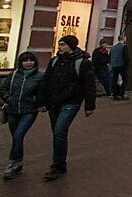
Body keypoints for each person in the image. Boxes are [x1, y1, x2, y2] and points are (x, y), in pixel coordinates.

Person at [38, 35, 96, 181]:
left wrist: (89, 106)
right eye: (59, 45)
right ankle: (61, 164)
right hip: (54, 102)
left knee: (59, 131)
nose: (60, 47)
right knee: (58, 134)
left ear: (71, 46)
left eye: (63, 45)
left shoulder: (82, 62)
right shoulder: (55, 61)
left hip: (71, 102)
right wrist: (42, 101)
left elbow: (89, 85)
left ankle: (56, 166)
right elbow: (46, 81)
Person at [0, 51, 43, 180]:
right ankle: (18, 162)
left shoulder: (39, 77)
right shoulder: (13, 75)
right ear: (20, 62)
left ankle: (11, 163)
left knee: (18, 135)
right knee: (16, 138)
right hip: (12, 111)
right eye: (25, 60)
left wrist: (36, 101)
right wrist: (8, 98)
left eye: (31, 60)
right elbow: (3, 89)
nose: (28, 63)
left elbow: (42, 93)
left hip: (29, 111)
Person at [109, 33, 129, 100]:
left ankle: (115, 94)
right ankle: (121, 94)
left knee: (114, 79)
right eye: (125, 38)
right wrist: (127, 65)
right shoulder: (124, 46)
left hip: (114, 65)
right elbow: (125, 56)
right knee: (125, 79)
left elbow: (110, 56)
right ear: (123, 39)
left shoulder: (113, 47)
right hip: (121, 65)